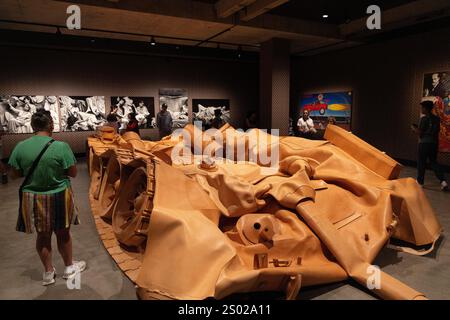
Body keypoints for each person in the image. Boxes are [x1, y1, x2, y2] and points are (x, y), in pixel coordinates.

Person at [8, 110, 86, 286]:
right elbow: (73, 173)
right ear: (51, 124)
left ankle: (48, 273)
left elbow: (14, 174)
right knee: (63, 233)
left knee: (43, 236)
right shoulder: (61, 146)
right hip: (59, 194)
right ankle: (68, 268)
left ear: (32, 126)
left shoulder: (20, 146)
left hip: (33, 197)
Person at [411, 100, 448, 191]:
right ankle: (443, 181)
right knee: (434, 162)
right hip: (433, 144)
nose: (421, 109)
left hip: (424, 144)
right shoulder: (437, 119)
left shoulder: (423, 119)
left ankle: (420, 182)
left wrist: (414, 129)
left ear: (426, 108)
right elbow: (436, 131)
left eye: (422, 107)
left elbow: (420, 133)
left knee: (421, 162)